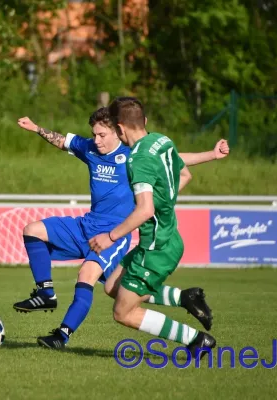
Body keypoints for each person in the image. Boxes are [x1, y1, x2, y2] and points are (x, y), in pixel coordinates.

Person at [12, 107, 228, 349]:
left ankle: (61, 336)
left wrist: (211, 154)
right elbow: (62, 141)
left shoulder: (134, 155)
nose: (96, 140)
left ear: (118, 132)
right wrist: (36, 128)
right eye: (94, 134)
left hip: (113, 235)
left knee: (88, 277)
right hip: (87, 225)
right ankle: (45, 294)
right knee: (33, 230)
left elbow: (176, 159)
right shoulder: (90, 148)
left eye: (102, 135)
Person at [89, 97, 217, 359]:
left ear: (120, 128)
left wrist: (110, 237)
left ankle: (196, 339)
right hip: (165, 238)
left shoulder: (138, 160)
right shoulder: (161, 141)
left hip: (156, 248)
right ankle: (186, 298)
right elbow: (185, 174)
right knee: (112, 286)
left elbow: (145, 209)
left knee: (122, 312)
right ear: (144, 122)